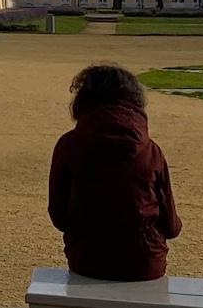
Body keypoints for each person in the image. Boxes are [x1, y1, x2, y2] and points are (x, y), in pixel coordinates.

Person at [48, 64, 182, 282]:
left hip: (87, 259)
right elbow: (171, 226)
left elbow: (59, 216)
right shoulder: (150, 150)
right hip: (144, 262)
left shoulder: (68, 145)